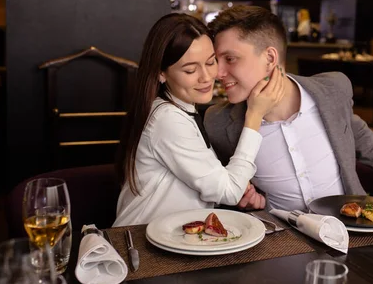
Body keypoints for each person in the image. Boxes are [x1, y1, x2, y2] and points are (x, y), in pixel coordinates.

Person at [204, 6, 373, 212]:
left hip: (352, 228)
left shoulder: (331, 90)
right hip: (284, 242)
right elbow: (225, 187)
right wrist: (245, 197)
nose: (217, 72)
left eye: (230, 59)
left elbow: (359, 134)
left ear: (270, 57)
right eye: (217, 60)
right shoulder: (218, 122)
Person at [113, 13, 284, 226]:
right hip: (140, 245)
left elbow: (219, 186)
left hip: (172, 238)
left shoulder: (180, 110)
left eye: (210, 62)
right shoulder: (167, 119)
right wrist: (255, 115)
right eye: (190, 69)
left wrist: (237, 186)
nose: (207, 76)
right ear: (161, 73)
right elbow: (228, 192)